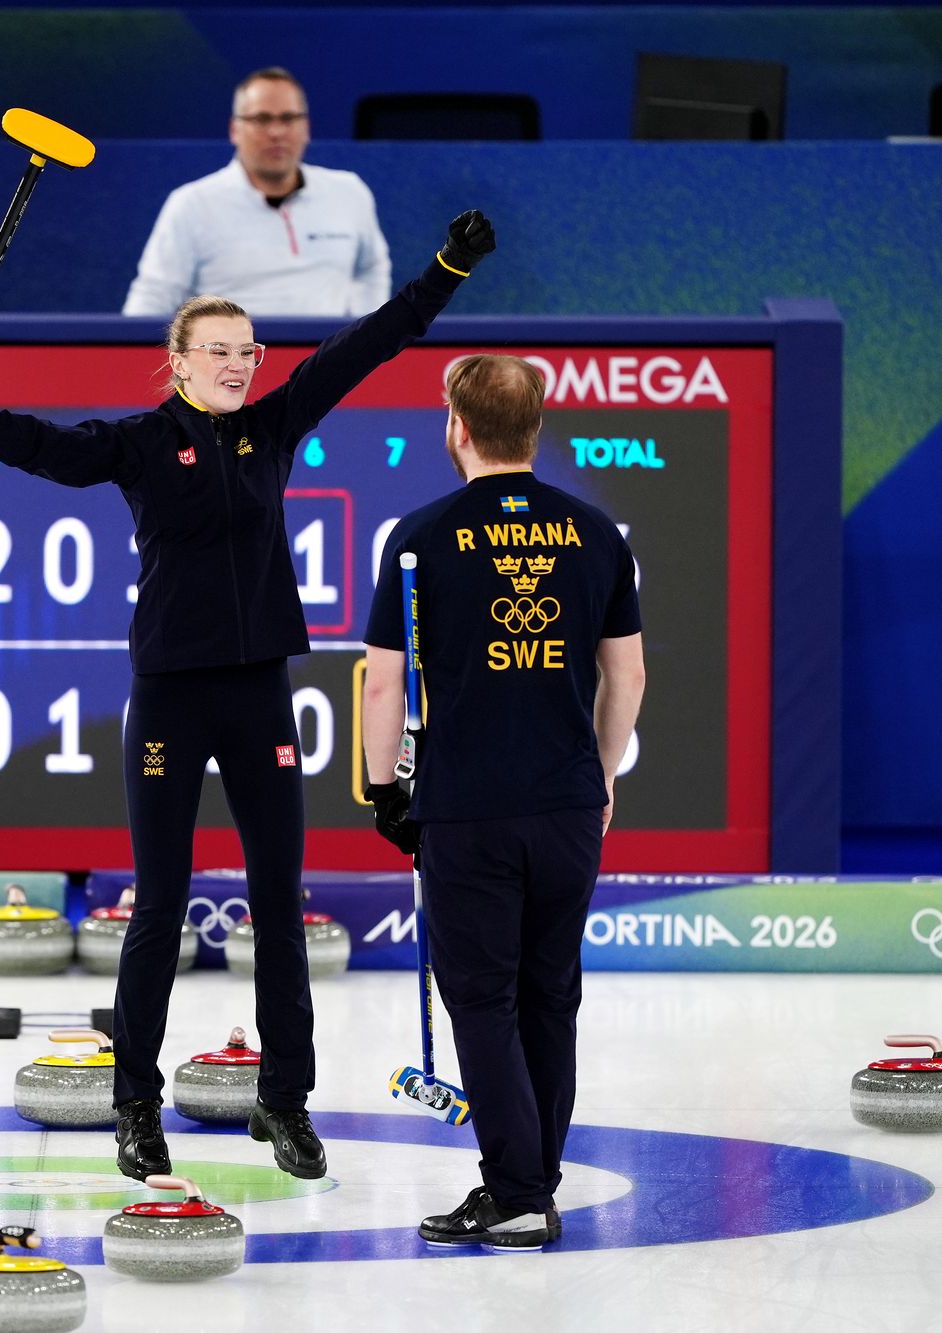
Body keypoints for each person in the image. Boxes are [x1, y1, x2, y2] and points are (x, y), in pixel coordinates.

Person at [0, 211, 498, 1183]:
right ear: (177, 358)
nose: (237, 364)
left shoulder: (273, 424)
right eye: (217, 351)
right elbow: (47, 451)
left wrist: (443, 269)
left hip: (259, 691)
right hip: (171, 697)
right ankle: (134, 1107)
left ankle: (285, 1101)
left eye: (247, 350)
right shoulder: (144, 442)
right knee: (161, 903)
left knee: (278, 898)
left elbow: (370, 343)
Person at [359, 354, 644, 1250]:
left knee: (481, 999)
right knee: (549, 995)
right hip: (565, 803)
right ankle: (534, 1179)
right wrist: (601, 775)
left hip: (468, 806)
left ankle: (518, 1190)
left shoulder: (419, 537)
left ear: (457, 427)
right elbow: (625, 672)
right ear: (536, 429)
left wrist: (384, 790)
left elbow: (381, 688)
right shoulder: (597, 534)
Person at [122, 68, 390, 319]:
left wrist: (366, 337)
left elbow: (371, 267)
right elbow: (154, 297)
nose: (276, 132)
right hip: (229, 363)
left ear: (305, 127)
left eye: (288, 118)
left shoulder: (349, 192)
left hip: (331, 362)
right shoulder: (192, 204)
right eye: (261, 119)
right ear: (234, 129)